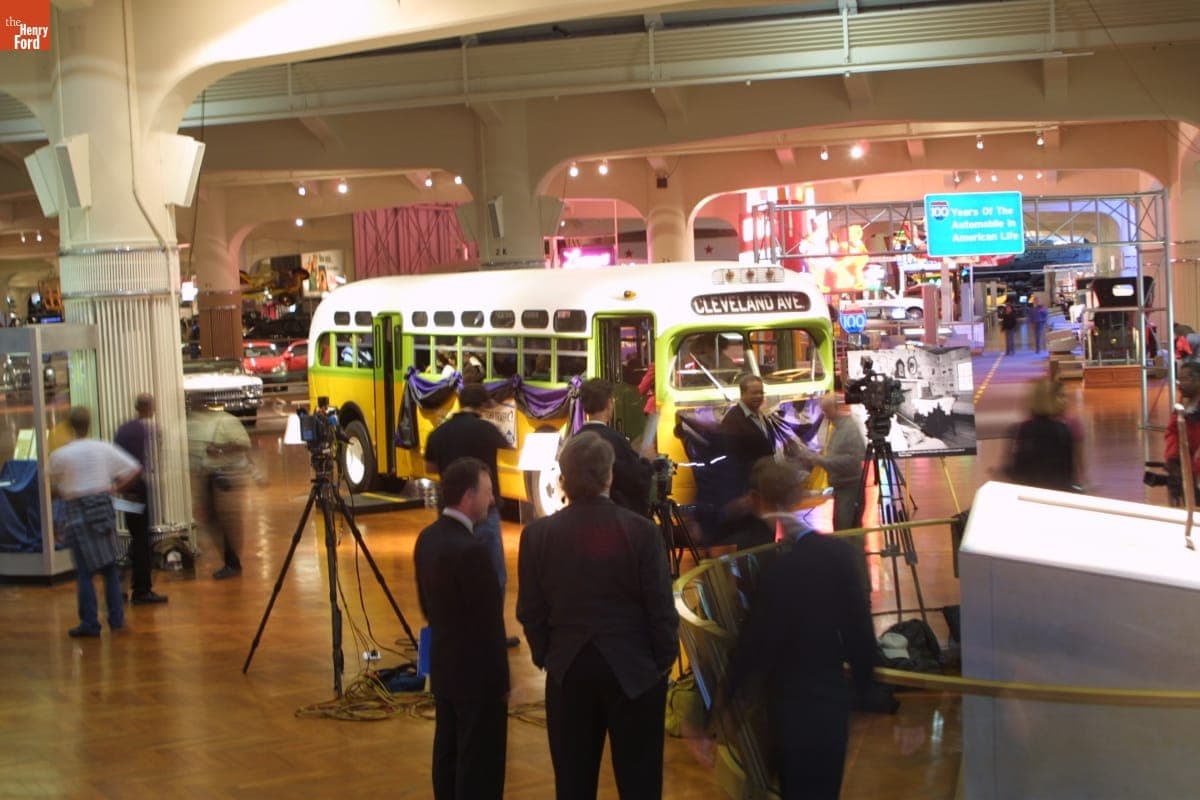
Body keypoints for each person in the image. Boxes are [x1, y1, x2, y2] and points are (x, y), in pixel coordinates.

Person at [516, 432, 679, 800]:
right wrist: (662, 663)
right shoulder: (640, 531)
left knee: (573, 784)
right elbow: (660, 608)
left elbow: (530, 610)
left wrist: (548, 657)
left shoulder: (538, 535)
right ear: (609, 476)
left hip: (569, 667)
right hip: (635, 670)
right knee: (640, 783)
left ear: (562, 478)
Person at [726, 458, 877, 800]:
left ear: (756, 498)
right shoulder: (838, 554)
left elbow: (755, 645)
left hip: (789, 709)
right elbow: (859, 632)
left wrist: (721, 707)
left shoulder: (773, 567)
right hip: (830, 704)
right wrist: (867, 690)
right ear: (797, 496)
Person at [413, 457, 509, 800]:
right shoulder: (474, 552)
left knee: (448, 751)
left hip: (444, 666)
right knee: (479, 762)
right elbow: (489, 626)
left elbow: (427, 607)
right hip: (478, 677)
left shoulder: (427, 538)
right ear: (468, 496)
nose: (493, 499)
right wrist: (502, 682)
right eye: (487, 491)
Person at [424, 382, 518, 647]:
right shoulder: (486, 430)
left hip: (451, 511)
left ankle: (459, 632)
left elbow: (430, 466)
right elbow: (507, 449)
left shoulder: (440, 432)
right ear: (482, 405)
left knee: (451, 572)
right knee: (493, 574)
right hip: (484, 512)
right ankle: (492, 633)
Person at [48, 406, 142, 638]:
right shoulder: (103, 448)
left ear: (70, 426)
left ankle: (90, 623)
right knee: (109, 569)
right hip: (102, 508)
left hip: (76, 511)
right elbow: (134, 469)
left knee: (84, 572)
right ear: (89, 424)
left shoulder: (61, 454)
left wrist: (62, 493)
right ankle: (116, 620)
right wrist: (115, 489)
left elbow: (52, 485)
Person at [187, 402, 253, 579]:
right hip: (211, 477)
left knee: (227, 521)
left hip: (225, 477)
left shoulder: (225, 422)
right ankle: (231, 561)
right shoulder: (197, 424)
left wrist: (220, 449)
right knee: (214, 520)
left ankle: (232, 563)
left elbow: (244, 444)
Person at [113, 393, 167, 605]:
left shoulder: (123, 429)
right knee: (143, 539)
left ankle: (122, 585)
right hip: (142, 488)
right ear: (150, 407)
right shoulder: (153, 429)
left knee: (135, 535)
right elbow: (153, 461)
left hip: (125, 490)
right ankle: (142, 588)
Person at [576, 378, 652, 517]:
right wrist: (646, 461)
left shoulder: (576, 440)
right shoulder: (615, 440)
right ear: (609, 404)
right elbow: (636, 479)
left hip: (582, 517)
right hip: (614, 516)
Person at [1004, 378, 1078, 491]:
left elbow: (1016, 469)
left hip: (1028, 493)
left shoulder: (1020, 429)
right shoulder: (1062, 429)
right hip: (1055, 492)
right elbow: (1068, 471)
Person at [719, 374, 775, 493]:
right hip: (746, 488)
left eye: (761, 392)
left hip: (764, 484)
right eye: (754, 393)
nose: (759, 396)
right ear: (743, 394)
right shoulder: (732, 420)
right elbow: (732, 459)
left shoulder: (761, 416)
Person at [1165, 361, 1200, 497]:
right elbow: (1172, 431)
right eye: (1179, 379)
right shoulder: (1183, 403)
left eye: (1185, 379)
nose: (1180, 384)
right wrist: (1173, 458)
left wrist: (1192, 468)